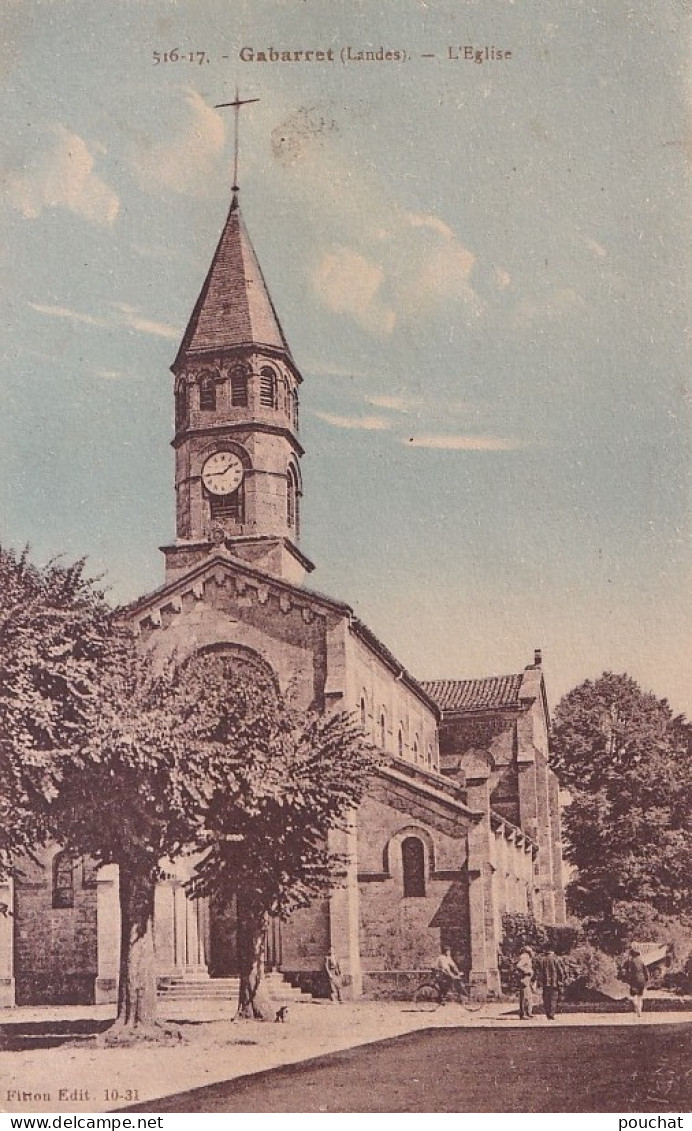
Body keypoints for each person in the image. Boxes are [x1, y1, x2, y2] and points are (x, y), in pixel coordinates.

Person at [537, 947, 565, 1020]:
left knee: (546, 999)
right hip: (554, 982)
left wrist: (539, 982)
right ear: (552, 952)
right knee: (553, 998)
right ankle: (551, 1014)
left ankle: (547, 1014)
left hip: (545, 982)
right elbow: (560, 971)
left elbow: (539, 972)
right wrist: (561, 980)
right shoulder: (556, 959)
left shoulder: (542, 960)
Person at [624, 945, 648, 1018]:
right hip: (642, 980)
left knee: (633, 995)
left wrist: (626, 979)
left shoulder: (630, 961)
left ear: (632, 954)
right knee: (640, 996)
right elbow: (646, 972)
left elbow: (625, 970)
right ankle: (639, 1011)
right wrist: (646, 979)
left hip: (634, 980)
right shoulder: (641, 961)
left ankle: (636, 1006)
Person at [516, 946, 535, 1019]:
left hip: (527, 980)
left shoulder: (527, 957)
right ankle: (523, 1014)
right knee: (525, 997)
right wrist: (526, 971)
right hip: (524, 979)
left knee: (528, 997)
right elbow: (518, 966)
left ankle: (528, 1013)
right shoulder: (524, 957)